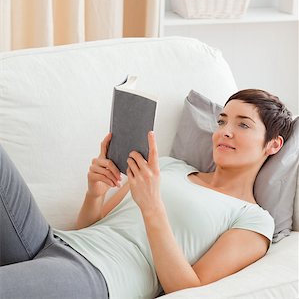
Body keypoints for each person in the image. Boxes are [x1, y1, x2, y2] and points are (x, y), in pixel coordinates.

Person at [0, 89, 294, 299]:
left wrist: (153, 208)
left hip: (96, 274)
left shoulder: (254, 219)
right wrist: (95, 193)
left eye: (242, 124)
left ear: (273, 145)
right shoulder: (168, 166)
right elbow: (90, 228)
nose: (225, 131)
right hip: (52, 240)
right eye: (222, 121)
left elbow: (189, 288)